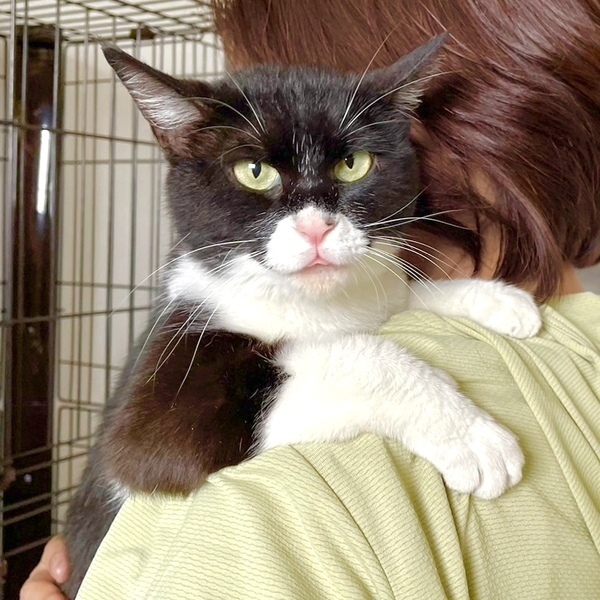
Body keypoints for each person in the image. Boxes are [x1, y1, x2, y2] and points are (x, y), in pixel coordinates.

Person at [21, 0, 600, 598]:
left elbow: (359, 312)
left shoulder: (300, 504)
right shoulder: (209, 307)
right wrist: (397, 383)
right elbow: (158, 450)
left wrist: (438, 305)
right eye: (256, 172)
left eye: (350, 163)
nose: (314, 226)